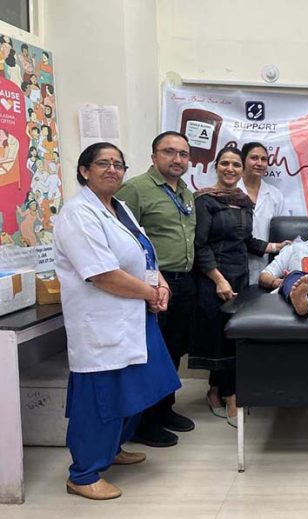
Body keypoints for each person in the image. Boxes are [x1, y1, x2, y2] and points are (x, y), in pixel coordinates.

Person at [53, 142, 180, 500]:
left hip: (134, 316)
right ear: (84, 170)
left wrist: (161, 283)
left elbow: (144, 254)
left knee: (138, 387)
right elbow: (102, 274)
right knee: (102, 399)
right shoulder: (78, 213)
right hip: (102, 322)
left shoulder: (119, 207)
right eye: (103, 163)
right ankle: (84, 474)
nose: (112, 169)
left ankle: (113, 450)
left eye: (118, 164)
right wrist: (150, 293)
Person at [189, 146, 289, 426]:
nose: (230, 169)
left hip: (240, 276)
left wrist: (276, 246)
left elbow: (246, 242)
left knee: (233, 335)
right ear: (217, 166)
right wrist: (218, 279)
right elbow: (200, 245)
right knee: (219, 336)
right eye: (226, 164)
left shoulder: (243, 202)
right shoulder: (205, 200)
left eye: (234, 164)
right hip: (214, 277)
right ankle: (230, 396)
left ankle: (218, 390)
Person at [117, 131, 196, 447]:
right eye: (169, 152)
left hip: (185, 282)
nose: (177, 159)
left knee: (173, 351)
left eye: (183, 154)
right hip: (154, 286)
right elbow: (124, 238)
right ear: (154, 157)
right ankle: (142, 422)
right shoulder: (136, 189)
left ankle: (164, 410)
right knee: (150, 353)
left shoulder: (186, 192)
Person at [238, 142, 285, 284]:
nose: (259, 163)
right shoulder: (231, 190)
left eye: (264, 159)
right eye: (254, 158)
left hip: (265, 264)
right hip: (233, 263)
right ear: (243, 160)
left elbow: (279, 232)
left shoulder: (275, 195)